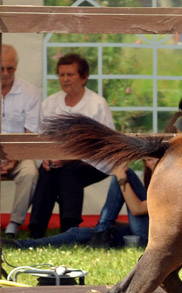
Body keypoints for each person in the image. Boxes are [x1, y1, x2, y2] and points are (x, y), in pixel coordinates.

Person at [28, 53, 114, 239]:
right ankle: (36, 230)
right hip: (58, 160)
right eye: (61, 75)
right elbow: (41, 138)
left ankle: (69, 229)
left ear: (84, 77)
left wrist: (71, 157)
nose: (65, 79)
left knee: (71, 171)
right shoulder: (50, 103)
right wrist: (46, 157)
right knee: (48, 172)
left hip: (94, 163)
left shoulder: (97, 104)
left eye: (70, 75)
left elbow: (106, 145)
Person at [4, 157, 157, 249]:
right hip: (140, 231)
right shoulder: (154, 177)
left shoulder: (170, 181)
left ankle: (101, 231)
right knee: (77, 233)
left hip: (149, 238)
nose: (149, 164)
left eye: (151, 159)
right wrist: (115, 224)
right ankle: (20, 245)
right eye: (146, 160)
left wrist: (121, 175)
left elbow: (137, 210)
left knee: (126, 172)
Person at [0, 44, 41, 238]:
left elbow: (30, 133)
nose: (6, 73)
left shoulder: (29, 91)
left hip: (20, 153)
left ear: (16, 67)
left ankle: (13, 226)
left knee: (30, 172)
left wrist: (13, 160)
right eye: (1, 68)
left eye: (10, 68)